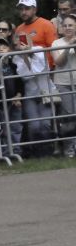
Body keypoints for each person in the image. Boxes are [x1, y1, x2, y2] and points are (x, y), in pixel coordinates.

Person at [12, 33, 55, 157]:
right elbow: (26, 75)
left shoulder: (39, 50)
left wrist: (30, 52)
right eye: (17, 41)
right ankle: (36, 152)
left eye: (23, 39)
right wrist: (24, 55)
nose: (21, 43)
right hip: (29, 94)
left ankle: (48, 150)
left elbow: (39, 69)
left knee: (45, 123)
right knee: (34, 125)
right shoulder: (15, 57)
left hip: (45, 92)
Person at [0, 38, 24, 157]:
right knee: (4, 128)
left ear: (9, 49)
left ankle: (16, 151)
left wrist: (18, 96)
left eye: (4, 47)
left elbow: (20, 83)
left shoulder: (14, 66)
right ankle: (6, 152)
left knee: (16, 126)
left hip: (15, 101)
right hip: (1, 103)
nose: (1, 49)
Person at [51, 13, 76, 157]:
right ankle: (69, 147)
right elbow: (58, 62)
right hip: (63, 83)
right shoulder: (57, 43)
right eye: (65, 25)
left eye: (71, 25)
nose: (67, 28)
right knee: (69, 115)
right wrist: (69, 46)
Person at [15, 0, 58, 68]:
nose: (23, 12)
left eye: (27, 9)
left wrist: (53, 68)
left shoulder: (46, 24)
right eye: (21, 9)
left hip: (46, 70)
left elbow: (54, 48)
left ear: (35, 10)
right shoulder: (19, 29)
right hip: (28, 72)